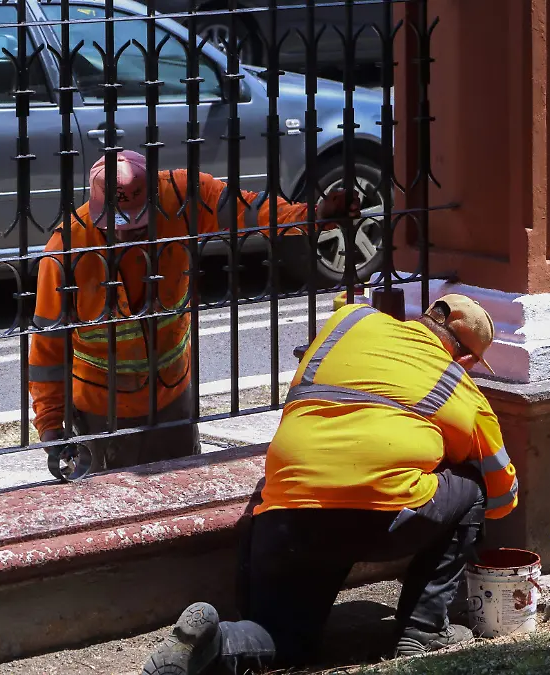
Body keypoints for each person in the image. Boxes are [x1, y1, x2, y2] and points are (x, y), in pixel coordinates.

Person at [140, 294, 519, 674]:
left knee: (282, 640)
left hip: (284, 512)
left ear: (424, 317)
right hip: (374, 520)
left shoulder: (351, 322)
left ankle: (213, 643)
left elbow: (344, 304)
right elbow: (501, 494)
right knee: (472, 488)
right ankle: (424, 631)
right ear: (467, 359)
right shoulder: (461, 387)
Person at [29, 149, 352, 473]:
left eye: (139, 224)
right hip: (101, 415)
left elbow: (249, 209)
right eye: (118, 226)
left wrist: (311, 215)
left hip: (173, 402)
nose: (128, 235)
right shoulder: (64, 253)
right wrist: (52, 430)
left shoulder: (181, 197)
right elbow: (46, 353)